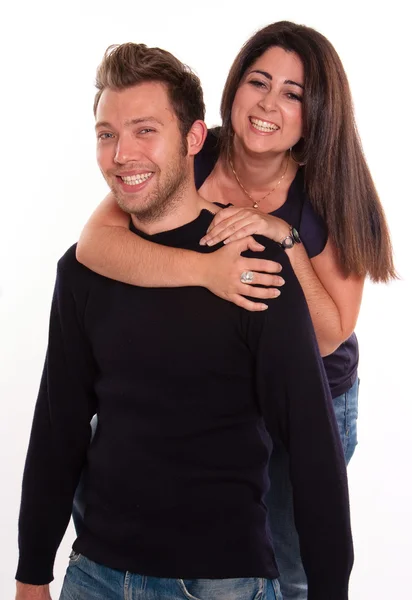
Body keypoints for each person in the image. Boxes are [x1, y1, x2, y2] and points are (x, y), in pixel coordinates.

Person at [15, 42, 353, 600]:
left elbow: (314, 451)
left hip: (222, 582)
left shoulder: (257, 270)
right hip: (95, 573)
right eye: (106, 134)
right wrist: (32, 572)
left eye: (145, 130)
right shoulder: (84, 271)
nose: (122, 154)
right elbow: (58, 427)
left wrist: (330, 591)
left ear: (195, 140)